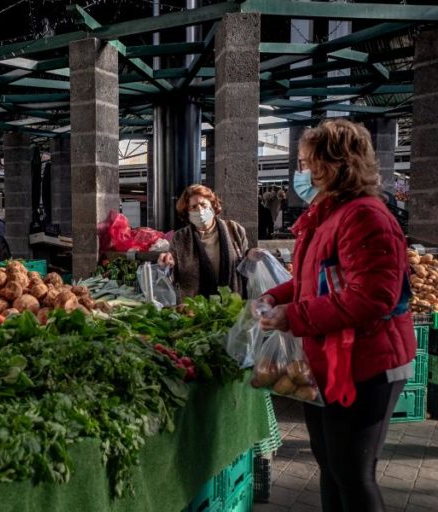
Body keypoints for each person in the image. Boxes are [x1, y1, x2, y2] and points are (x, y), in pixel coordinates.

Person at [256, 119, 416, 512]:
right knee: (330, 467)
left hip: (368, 364)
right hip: (330, 360)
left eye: (306, 162)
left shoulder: (366, 217)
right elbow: (312, 281)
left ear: (335, 165)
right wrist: (275, 297)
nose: (300, 172)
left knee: (353, 474)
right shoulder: (329, 215)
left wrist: (293, 317)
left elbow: (371, 299)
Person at [157, 184, 248, 300]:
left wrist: (253, 253)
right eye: (193, 207)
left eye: (203, 204)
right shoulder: (180, 238)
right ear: (187, 212)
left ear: (212, 205)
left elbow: (246, 266)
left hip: (232, 304)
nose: (200, 210)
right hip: (195, 308)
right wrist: (166, 264)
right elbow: (172, 275)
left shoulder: (234, 229)